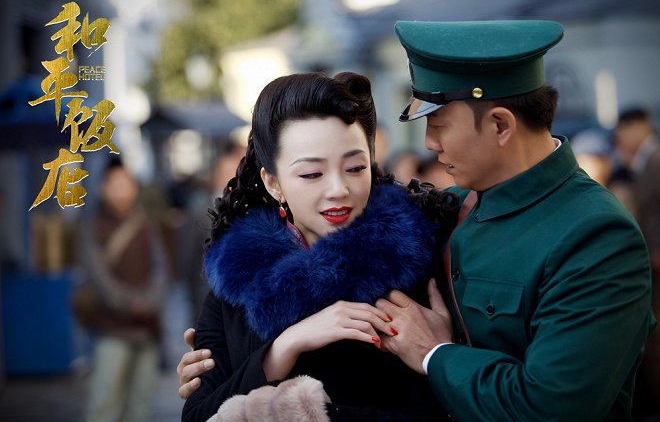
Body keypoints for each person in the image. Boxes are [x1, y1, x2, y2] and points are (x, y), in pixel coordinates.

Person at [373, 20, 654, 422]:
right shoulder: (450, 205)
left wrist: (435, 355)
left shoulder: (597, 236)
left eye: (438, 126)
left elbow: (549, 409)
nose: (429, 144)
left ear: (501, 125)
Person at [180, 71, 459, 422]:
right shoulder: (236, 280)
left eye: (355, 168)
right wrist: (284, 347)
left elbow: (433, 411)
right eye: (312, 174)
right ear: (273, 182)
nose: (339, 189)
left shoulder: (411, 263)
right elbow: (197, 415)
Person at [77, 157, 169, 422]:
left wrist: (149, 301)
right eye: (116, 184)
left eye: (127, 184)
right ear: (102, 189)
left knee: (140, 407)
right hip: (112, 328)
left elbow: (161, 268)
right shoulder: (93, 227)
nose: (122, 190)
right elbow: (99, 279)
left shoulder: (146, 224)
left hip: (147, 327)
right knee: (104, 404)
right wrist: (133, 304)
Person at [613, 108, 660, 421]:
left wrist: (658, 249)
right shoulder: (644, 162)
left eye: (626, 129)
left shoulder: (657, 160)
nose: (622, 137)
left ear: (642, 126)